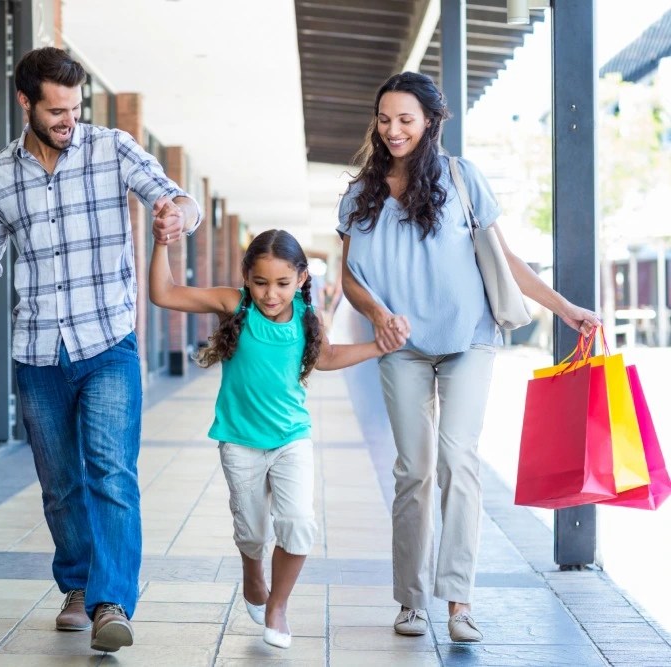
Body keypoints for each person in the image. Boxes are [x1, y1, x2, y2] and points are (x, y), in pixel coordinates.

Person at [0, 46, 201, 654]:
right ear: (25, 102)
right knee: (59, 485)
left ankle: (111, 603)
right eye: (55, 109)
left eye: (74, 107)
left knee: (111, 472)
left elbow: (177, 197)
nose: (67, 119)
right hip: (37, 353)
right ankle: (76, 585)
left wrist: (175, 216)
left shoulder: (113, 147)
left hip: (108, 345)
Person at [336, 71, 601, 643]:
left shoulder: (461, 179)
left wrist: (565, 308)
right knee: (414, 470)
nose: (393, 130)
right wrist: (379, 315)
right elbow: (351, 278)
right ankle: (410, 601)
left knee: (459, 460)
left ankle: (458, 602)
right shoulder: (361, 193)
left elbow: (506, 262)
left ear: (431, 120)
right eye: (385, 120)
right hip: (400, 348)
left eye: (406, 119)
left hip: (468, 341)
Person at [149, 228, 400, 649]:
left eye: (283, 283)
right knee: (251, 532)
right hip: (240, 440)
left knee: (299, 524)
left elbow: (329, 357)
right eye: (261, 282)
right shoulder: (235, 304)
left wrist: (379, 346)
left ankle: (278, 606)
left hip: (291, 439)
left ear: (302, 278)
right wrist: (161, 241)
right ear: (247, 276)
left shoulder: (307, 316)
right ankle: (253, 573)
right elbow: (165, 293)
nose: (271, 295)